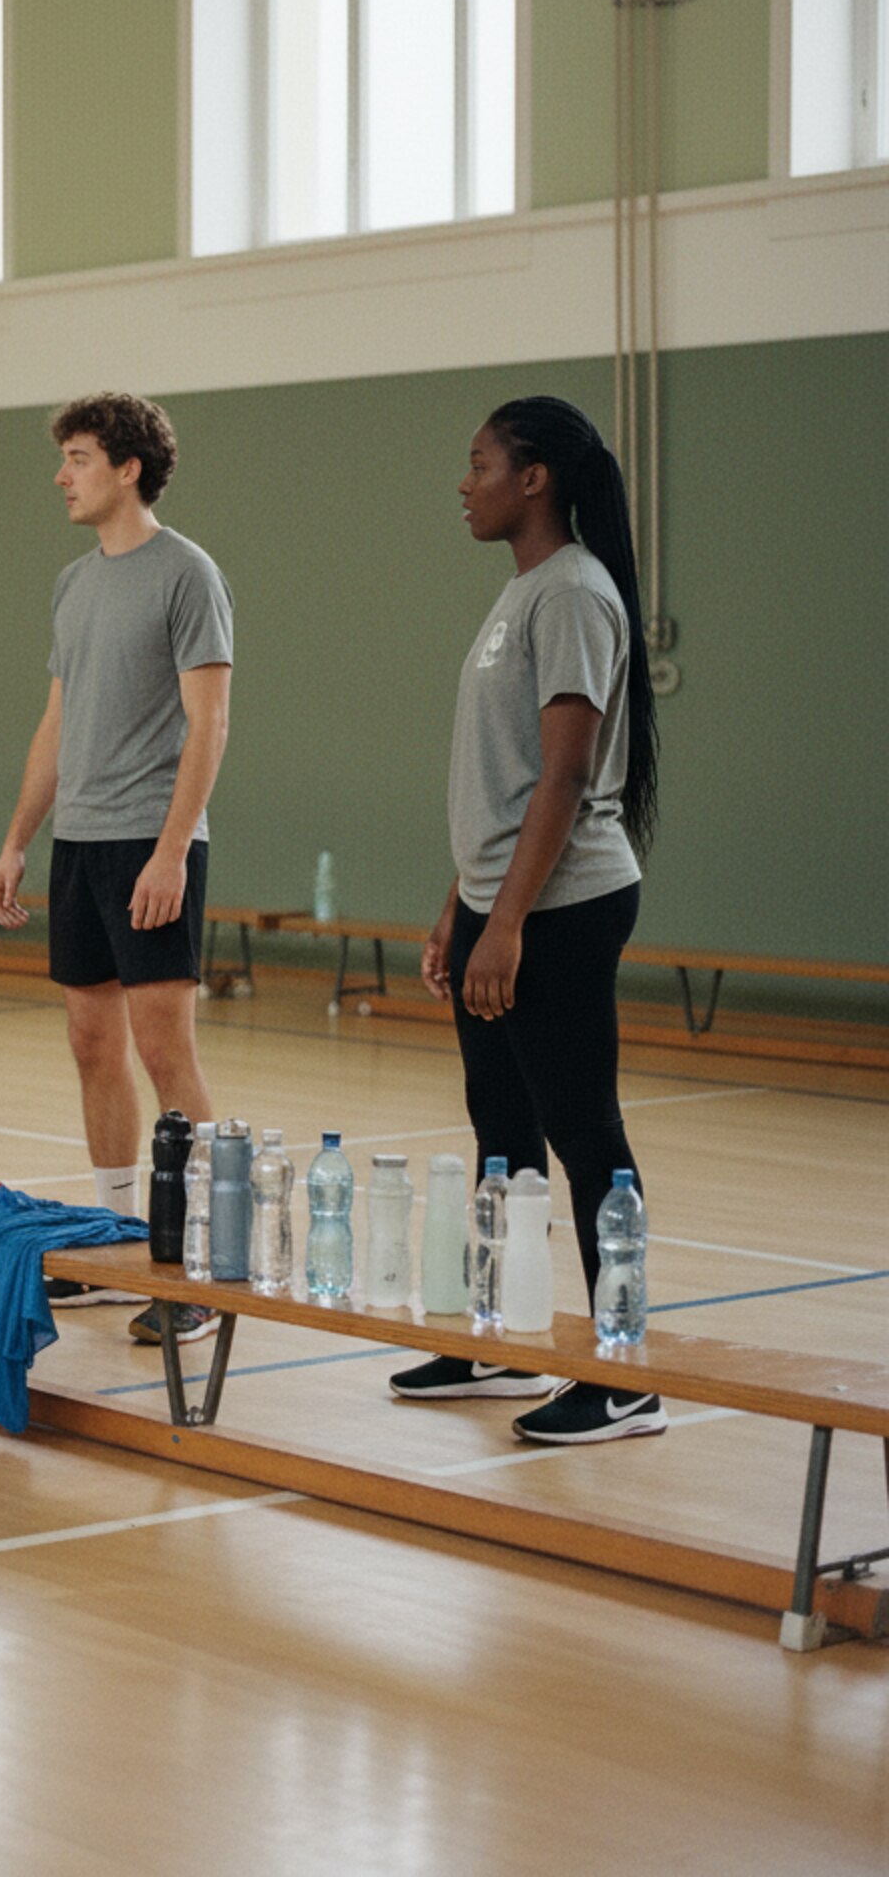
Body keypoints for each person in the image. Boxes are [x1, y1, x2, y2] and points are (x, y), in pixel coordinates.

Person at [394, 395, 665, 1444]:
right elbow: (497, 787)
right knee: (500, 1134)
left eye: (478, 462)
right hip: (498, 902)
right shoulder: (521, 594)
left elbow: (559, 778)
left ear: (534, 476)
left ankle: (623, 1366)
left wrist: (503, 925)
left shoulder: (575, 594)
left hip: (563, 903)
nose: (463, 483)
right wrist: (456, 912)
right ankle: (494, 1336)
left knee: (581, 1130)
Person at [0, 393, 233, 1345]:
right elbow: (57, 722)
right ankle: (119, 1240)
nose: (62, 474)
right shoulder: (72, 583)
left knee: (167, 1054)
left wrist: (173, 850)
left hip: (150, 841)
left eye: (79, 457)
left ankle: (208, 1269)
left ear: (128, 468)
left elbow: (209, 723)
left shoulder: (188, 574)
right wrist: (17, 837)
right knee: (94, 1047)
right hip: (78, 845)